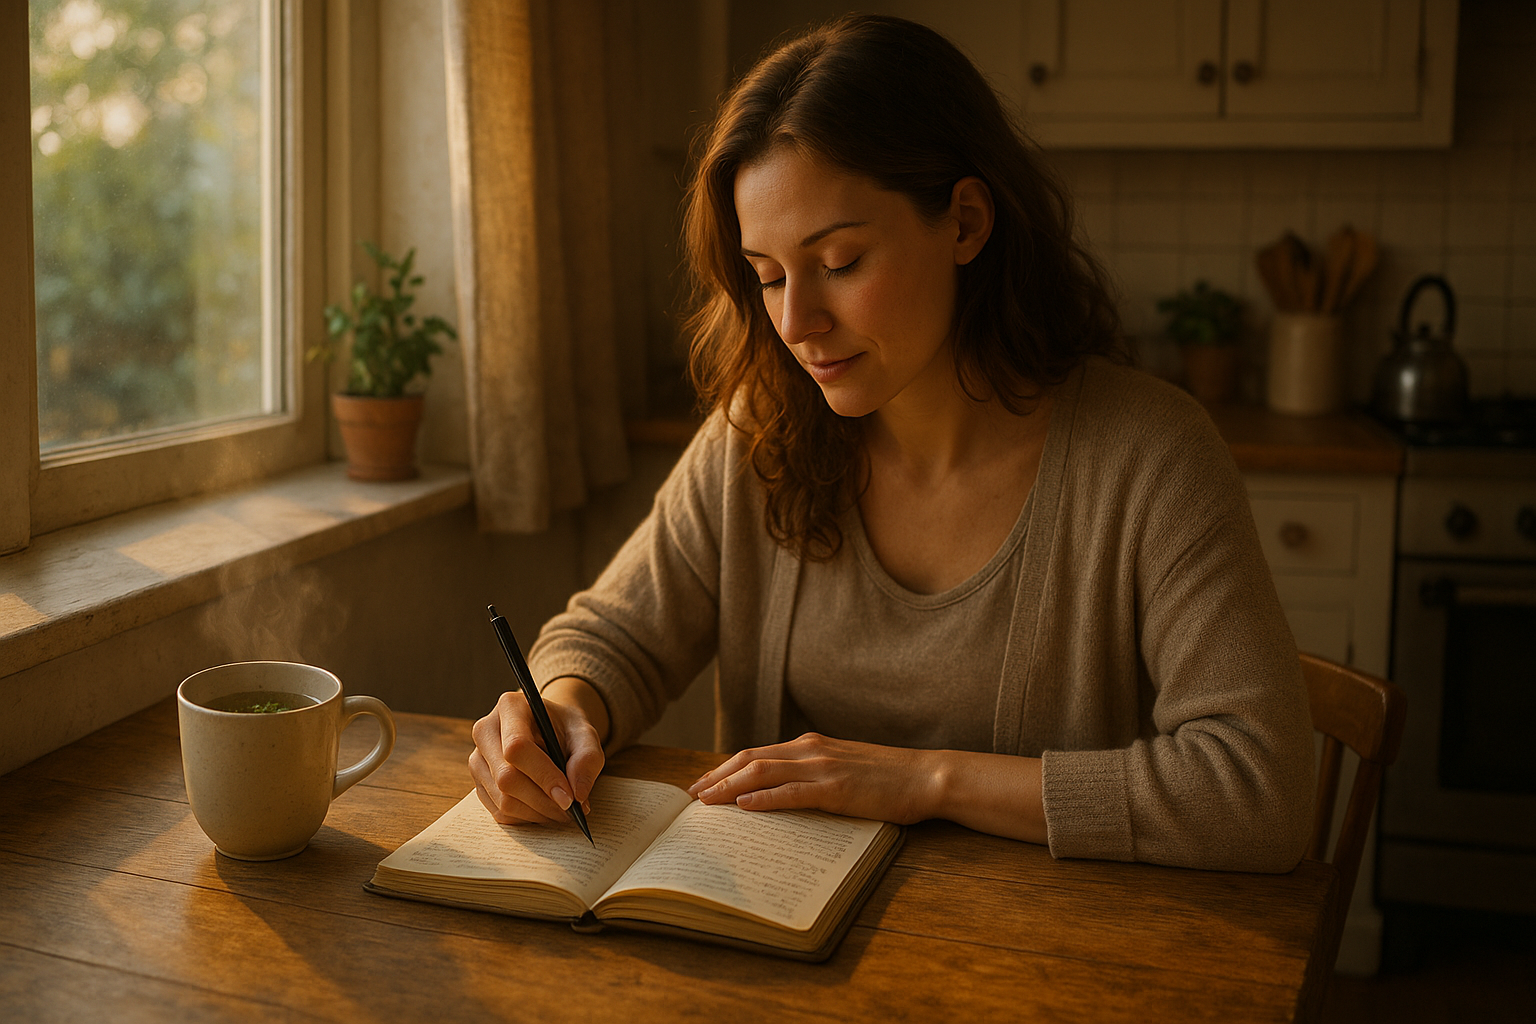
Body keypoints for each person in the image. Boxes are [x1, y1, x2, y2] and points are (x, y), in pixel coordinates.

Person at [469, 14, 1314, 872]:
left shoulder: (1149, 457)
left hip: (1042, 966)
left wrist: (927, 782)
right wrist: (563, 710)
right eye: (767, 276)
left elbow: (1260, 788)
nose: (797, 323)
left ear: (966, 222)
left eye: (839, 262)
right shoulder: (760, 433)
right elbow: (616, 636)